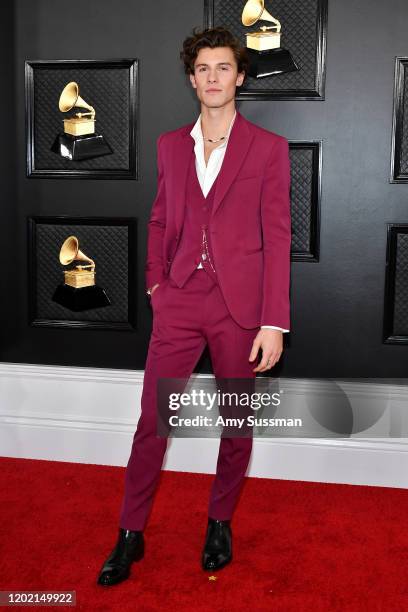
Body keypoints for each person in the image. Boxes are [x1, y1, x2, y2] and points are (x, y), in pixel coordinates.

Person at [97, 25, 291, 586]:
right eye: (203, 69)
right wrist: (158, 287)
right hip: (180, 300)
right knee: (153, 421)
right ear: (191, 79)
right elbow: (159, 221)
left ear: (240, 76)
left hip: (240, 309)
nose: (213, 77)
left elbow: (277, 237)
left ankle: (220, 523)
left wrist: (273, 322)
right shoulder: (168, 145)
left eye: (223, 68)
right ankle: (129, 533)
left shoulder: (269, 149)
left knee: (235, 421)